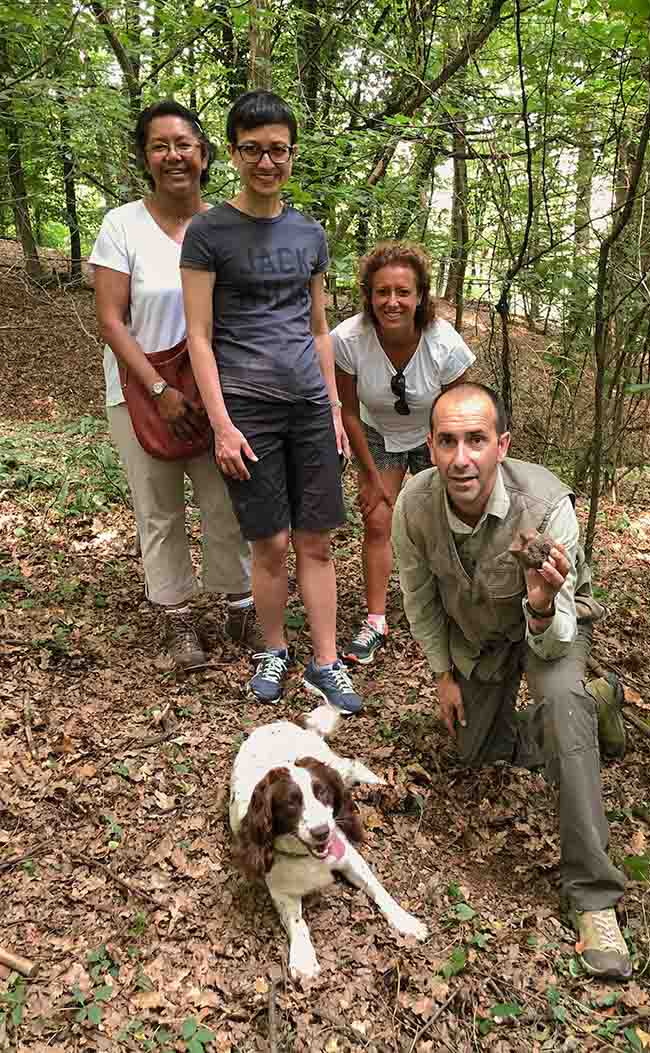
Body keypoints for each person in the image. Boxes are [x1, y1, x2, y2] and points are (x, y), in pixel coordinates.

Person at [391, 382, 632, 980]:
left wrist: (544, 603)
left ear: (502, 445)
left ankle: (593, 895)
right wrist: (443, 675)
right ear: (430, 447)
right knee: (476, 749)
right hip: (480, 640)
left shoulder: (548, 506)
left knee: (561, 708)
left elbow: (556, 631)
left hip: (551, 628)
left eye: (476, 440)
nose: (461, 458)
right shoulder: (414, 506)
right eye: (447, 442)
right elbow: (420, 601)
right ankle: (599, 703)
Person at [180, 89, 363, 714]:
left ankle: (326, 661)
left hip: (310, 406)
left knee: (316, 541)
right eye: (253, 150)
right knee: (271, 543)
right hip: (248, 409)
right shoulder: (208, 232)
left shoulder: (310, 233)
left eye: (278, 150)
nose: (267, 162)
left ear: (291, 154)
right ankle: (272, 649)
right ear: (231, 154)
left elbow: (318, 328)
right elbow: (198, 336)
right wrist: (223, 426)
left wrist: (336, 411)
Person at [90, 100, 260, 671]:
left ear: (206, 154)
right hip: (140, 394)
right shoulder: (122, 226)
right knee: (158, 508)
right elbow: (112, 319)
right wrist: (160, 391)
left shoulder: (225, 226)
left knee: (225, 503)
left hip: (214, 393)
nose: (173, 156)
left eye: (183, 144)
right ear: (145, 157)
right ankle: (177, 622)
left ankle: (239, 606)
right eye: (159, 146)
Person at [333, 242, 475, 666]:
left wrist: (446, 463)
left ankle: (458, 611)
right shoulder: (349, 339)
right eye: (382, 292)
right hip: (376, 432)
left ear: (420, 296)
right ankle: (376, 620)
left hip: (437, 432)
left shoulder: (443, 343)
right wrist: (369, 476)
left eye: (403, 292)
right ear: (369, 295)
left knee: (452, 518)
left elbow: (459, 411)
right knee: (378, 518)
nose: (392, 302)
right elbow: (350, 413)